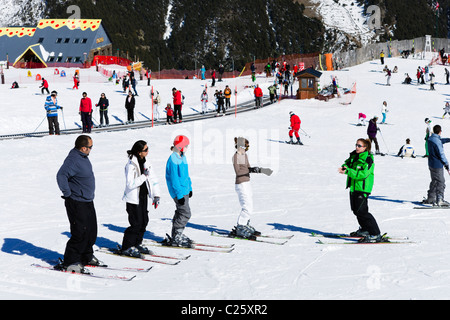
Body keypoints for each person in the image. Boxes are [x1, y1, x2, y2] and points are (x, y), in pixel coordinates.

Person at [56, 135, 100, 272]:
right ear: (83, 148)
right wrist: (68, 194)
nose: (91, 150)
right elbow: (61, 175)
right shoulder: (73, 160)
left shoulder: (82, 157)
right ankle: (70, 261)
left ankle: (86, 256)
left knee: (91, 231)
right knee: (79, 233)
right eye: (90, 147)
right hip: (76, 202)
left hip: (87, 201)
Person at [338, 138, 384, 243]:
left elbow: (363, 174)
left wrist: (348, 171)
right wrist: (344, 167)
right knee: (356, 210)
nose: (356, 147)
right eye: (356, 145)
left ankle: (375, 233)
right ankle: (365, 229)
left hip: (362, 188)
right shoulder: (354, 155)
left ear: (365, 147)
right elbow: (347, 163)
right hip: (354, 187)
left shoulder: (368, 159)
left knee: (362, 212)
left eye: (359, 146)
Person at [120, 140, 161, 257]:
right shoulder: (130, 165)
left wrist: (156, 195)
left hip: (143, 196)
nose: (148, 151)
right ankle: (127, 247)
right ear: (139, 152)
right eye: (145, 150)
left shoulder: (146, 162)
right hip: (133, 198)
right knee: (136, 223)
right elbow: (130, 184)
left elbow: (153, 179)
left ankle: (137, 243)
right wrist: (143, 176)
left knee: (144, 221)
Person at [229, 137, 273, 239]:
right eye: (245, 147)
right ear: (239, 146)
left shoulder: (244, 156)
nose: (246, 149)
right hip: (241, 183)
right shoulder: (236, 156)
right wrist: (251, 170)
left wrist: (259, 170)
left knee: (250, 206)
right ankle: (240, 227)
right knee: (246, 207)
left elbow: (248, 168)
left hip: (247, 182)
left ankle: (245, 224)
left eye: (247, 148)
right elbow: (238, 172)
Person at [163, 135, 193, 247]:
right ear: (180, 147)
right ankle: (177, 236)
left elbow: (186, 175)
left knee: (181, 212)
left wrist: (189, 188)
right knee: (185, 213)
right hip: (178, 191)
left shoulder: (182, 156)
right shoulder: (173, 159)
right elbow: (174, 179)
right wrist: (179, 195)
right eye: (185, 146)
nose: (187, 148)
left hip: (184, 189)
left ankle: (176, 234)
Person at [423, 125, 450, 206]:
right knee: (441, 182)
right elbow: (441, 154)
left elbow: (440, 140)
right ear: (440, 131)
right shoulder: (437, 141)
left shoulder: (431, 138)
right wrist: (446, 164)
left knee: (434, 181)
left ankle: (430, 198)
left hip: (431, 164)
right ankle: (440, 199)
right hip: (437, 165)